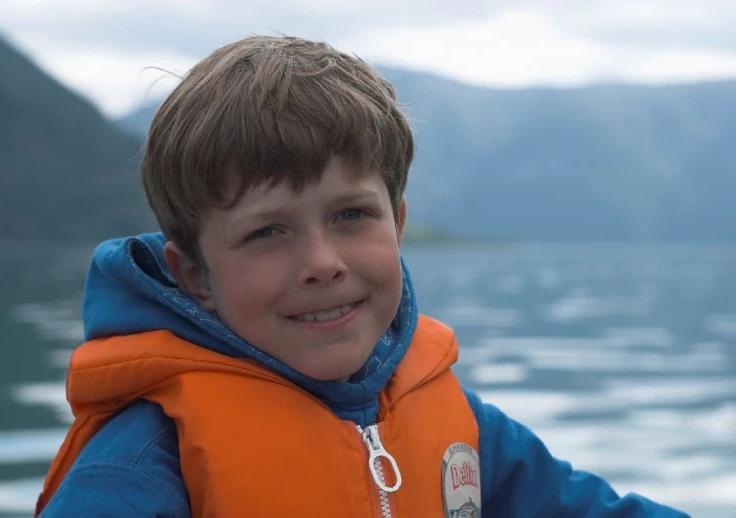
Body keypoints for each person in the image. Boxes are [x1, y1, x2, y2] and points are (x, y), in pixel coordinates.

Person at [35, 35, 689, 517]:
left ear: (397, 223)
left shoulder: (463, 426)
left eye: (351, 215)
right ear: (195, 274)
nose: (323, 263)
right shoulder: (143, 462)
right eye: (268, 232)